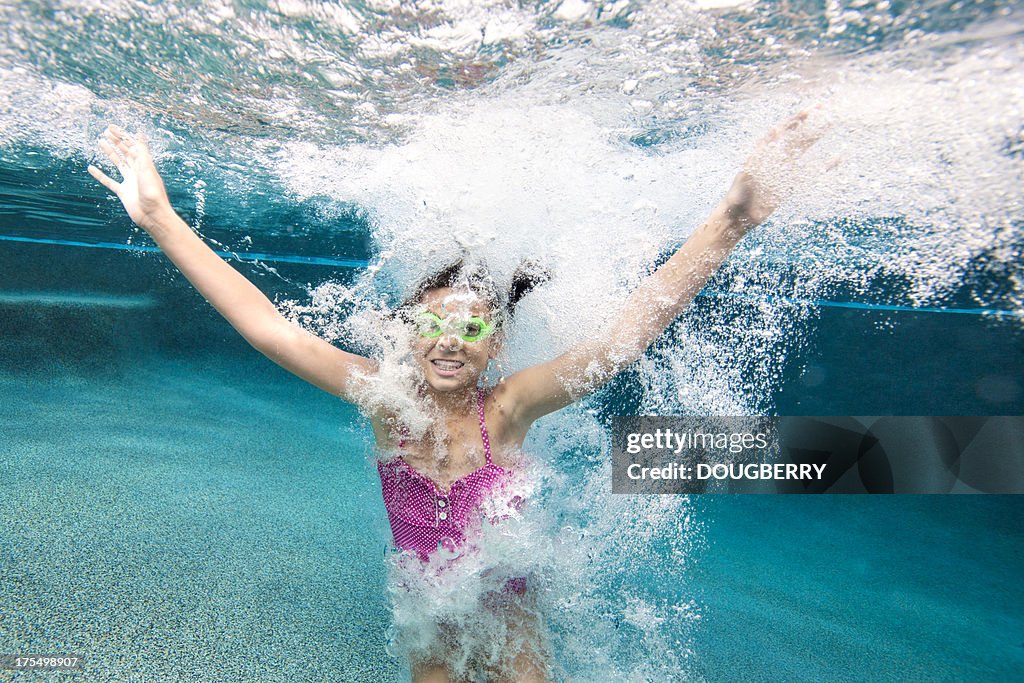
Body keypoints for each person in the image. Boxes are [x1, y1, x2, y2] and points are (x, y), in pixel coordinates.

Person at [87, 108, 825, 682]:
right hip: (428, 601)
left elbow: (616, 344)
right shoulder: (387, 405)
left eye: (470, 324)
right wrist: (159, 217)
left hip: (508, 598)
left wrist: (730, 222)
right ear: (409, 333)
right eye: (431, 322)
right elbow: (273, 331)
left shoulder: (507, 409)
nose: (448, 339)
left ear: (495, 341)